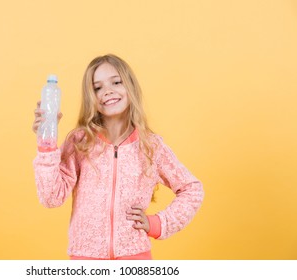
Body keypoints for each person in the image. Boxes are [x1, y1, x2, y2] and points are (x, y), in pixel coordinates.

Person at [32, 54, 204, 260]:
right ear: (91, 98)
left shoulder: (151, 145)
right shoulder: (80, 142)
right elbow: (51, 198)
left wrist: (158, 224)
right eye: (98, 87)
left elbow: (192, 189)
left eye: (116, 82)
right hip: (85, 259)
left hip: (134, 259)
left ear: (130, 87)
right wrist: (46, 144)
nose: (108, 91)